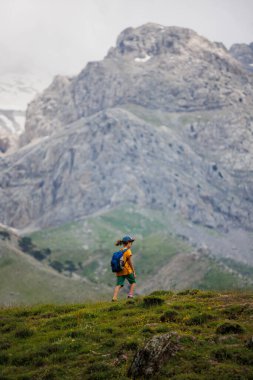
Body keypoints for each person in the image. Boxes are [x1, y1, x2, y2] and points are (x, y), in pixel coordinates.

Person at [112, 235, 136, 301]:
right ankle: (130, 295)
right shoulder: (128, 251)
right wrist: (133, 271)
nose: (131, 244)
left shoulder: (121, 250)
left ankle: (114, 297)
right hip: (127, 270)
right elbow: (130, 262)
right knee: (133, 282)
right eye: (131, 243)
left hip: (119, 270)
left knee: (119, 284)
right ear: (128, 243)